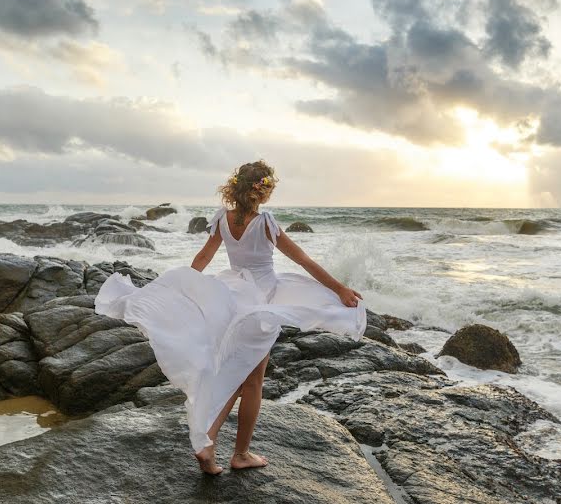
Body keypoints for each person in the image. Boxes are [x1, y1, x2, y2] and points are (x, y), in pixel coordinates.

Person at [94, 160, 366, 474]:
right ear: (260, 191)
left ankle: (208, 441)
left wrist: (185, 288)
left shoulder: (224, 219)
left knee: (239, 376)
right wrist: (340, 288)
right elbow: (303, 260)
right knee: (252, 382)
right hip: (261, 300)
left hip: (232, 296)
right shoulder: (265, 223)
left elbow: (204, 257)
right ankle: (238, 453)